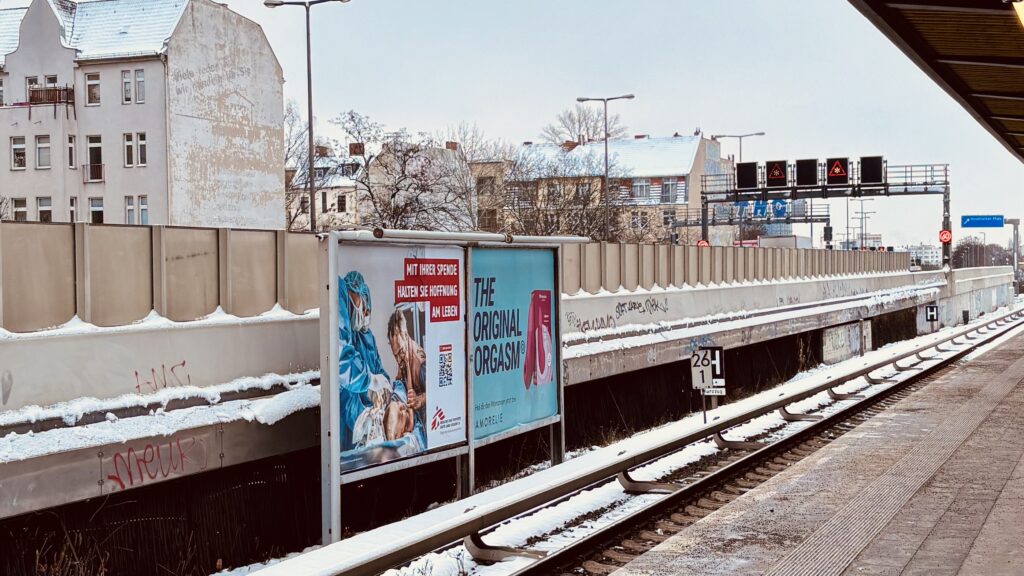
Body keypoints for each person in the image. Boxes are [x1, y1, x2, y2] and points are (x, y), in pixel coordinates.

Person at [338, 270, 391, 452]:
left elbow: (379, 371)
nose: (365, 313)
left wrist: (382, 390)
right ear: (353, 295)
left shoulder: (366, 337)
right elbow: (345, 392)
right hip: (349, 433)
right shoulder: (344, 339)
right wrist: (363, 417)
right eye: (363, 306)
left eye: (368, 310)